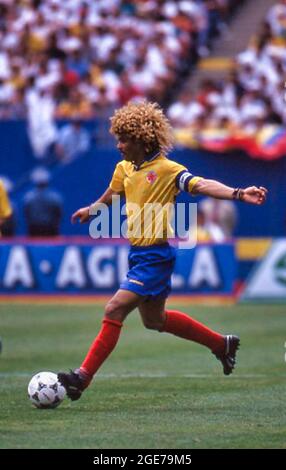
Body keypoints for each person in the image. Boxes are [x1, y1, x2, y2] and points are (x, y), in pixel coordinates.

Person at [58, 101, 267, 401]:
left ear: (142, 141)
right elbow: (111, 194)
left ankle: (81, 378)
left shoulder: (168, 170)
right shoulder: (124, 168)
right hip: (137, 255)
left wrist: (237, 193)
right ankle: (222, 345)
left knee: (114, 309)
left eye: (124, 139)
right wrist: (91, 210)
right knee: (154, 321)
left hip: (155, 257)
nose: (118, 145)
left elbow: (201, 183)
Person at [23, 167, 63, 236]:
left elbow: (26, 212)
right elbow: (59, 212)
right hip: (50, 228)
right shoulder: (54, 197)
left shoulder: (29, 197)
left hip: (35, 229)